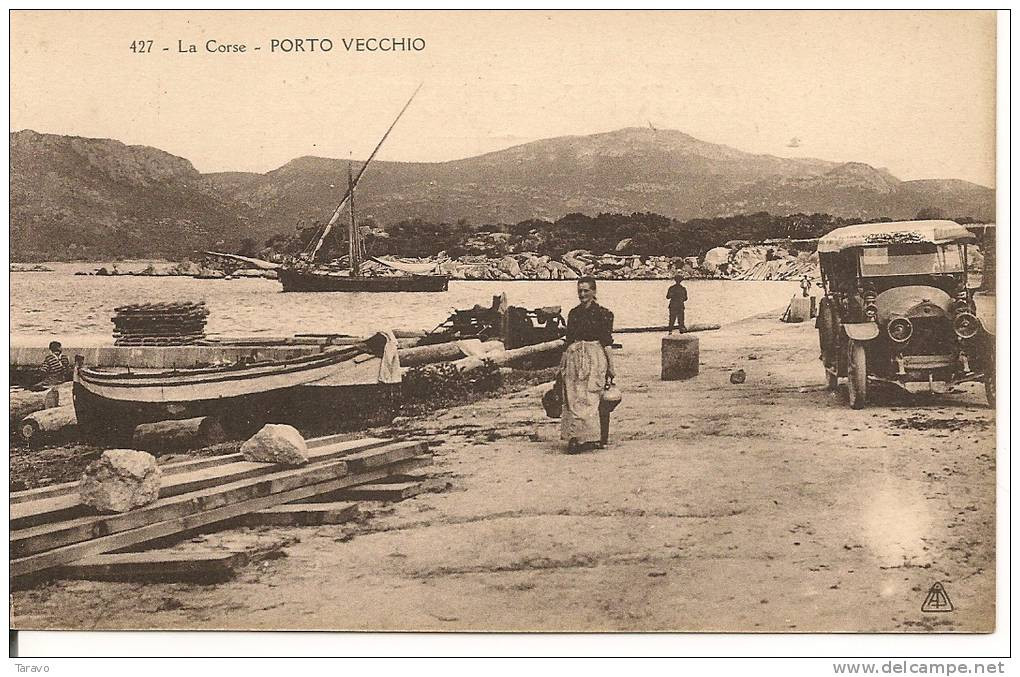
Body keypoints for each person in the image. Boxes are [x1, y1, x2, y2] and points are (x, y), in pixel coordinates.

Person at [560, 277, 616, 454]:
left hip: (595, 356)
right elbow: (568, 340)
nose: (582, 294)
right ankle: (575, 437)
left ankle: (593, 436)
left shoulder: (604, 314)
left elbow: (606, 342)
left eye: (586, 291)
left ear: (594, 292)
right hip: (574, 357)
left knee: (592, 395)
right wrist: (562, 364)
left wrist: (611, 367)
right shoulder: (574, 313)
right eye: (580, 291)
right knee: (573, 395)